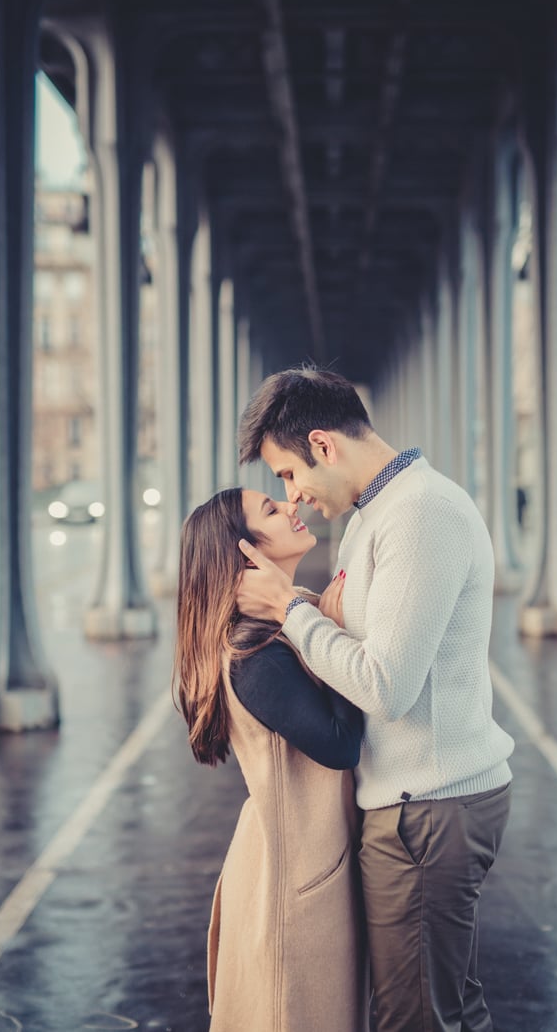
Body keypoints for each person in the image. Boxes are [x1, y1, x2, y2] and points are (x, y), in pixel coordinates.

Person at [236, 366, 514, 1032]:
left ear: (324, 445)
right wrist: (304, 607)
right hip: (423, 802)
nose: (293, 495)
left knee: (416, 1018)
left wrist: (288, 609)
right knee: (444, 1008)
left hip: (428, 807)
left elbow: (386, 687)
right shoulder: (378, 515)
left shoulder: (417, 515)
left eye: (288, 474)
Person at [172, 486, 368, 1032]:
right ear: (246, 553)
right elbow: (339, 742)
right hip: (293, 884)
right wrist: (321, 621)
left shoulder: (273, 629)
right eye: (270, 509)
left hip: (300, 861)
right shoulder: (254, 653)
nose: (290, 506)